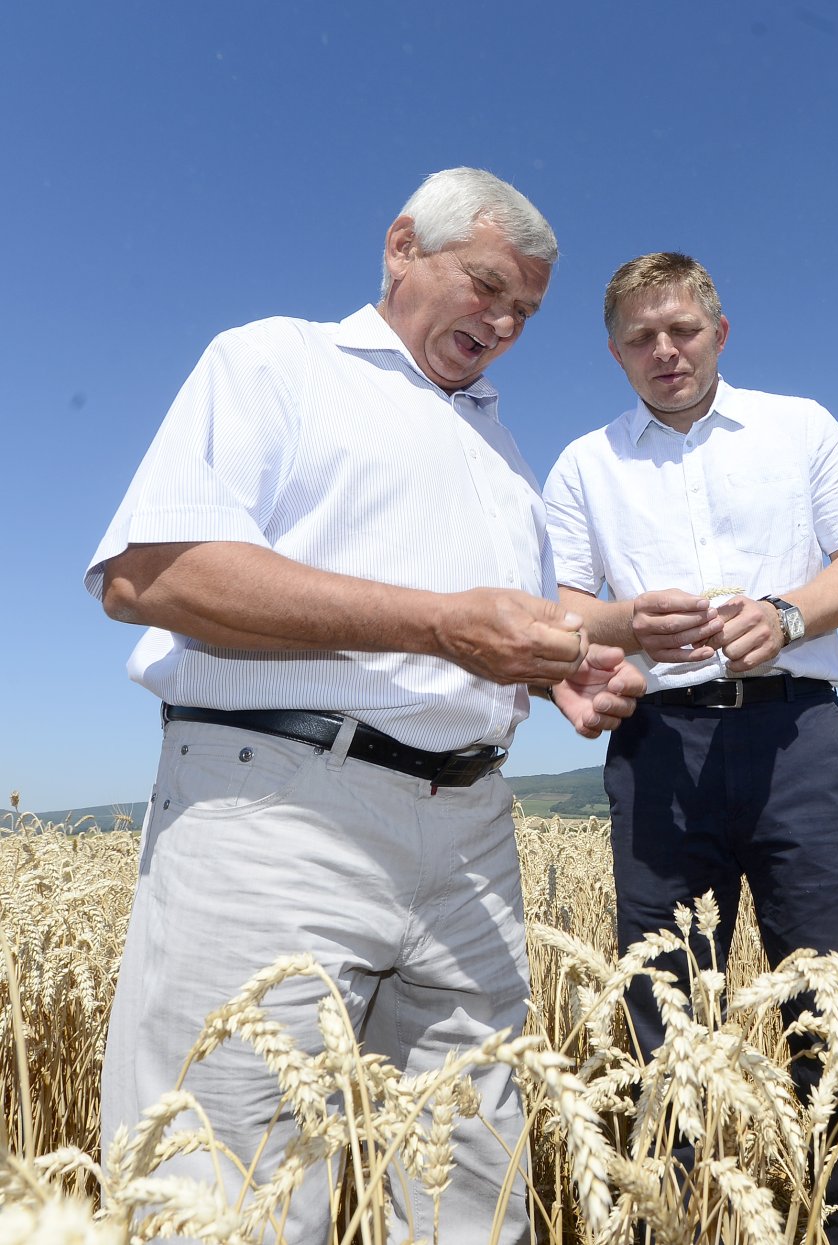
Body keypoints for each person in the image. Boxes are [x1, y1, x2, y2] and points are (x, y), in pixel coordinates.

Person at [85, 167, 644, 1244]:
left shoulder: (498, 450)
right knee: (225, 1180)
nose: (505, 323)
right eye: (487, 286)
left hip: (471, 833)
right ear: (401, 247)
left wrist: (554, 667)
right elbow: (148, 577)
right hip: (281, 814)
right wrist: (440, 624)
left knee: (468, 1181)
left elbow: (480, 630)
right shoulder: (276, 362)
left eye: (526, 312)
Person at [541, 252, 838, 1236]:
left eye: (683, 331)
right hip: (660, 746)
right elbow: (571, 608)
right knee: (660, 1011)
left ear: (720, 333)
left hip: (799, 740)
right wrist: (619, 632)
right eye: (641, 339)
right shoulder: (583, 466)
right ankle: (670, 1221)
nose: (666, 351)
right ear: (615, 354)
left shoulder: (802, 425)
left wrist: (784, 614)